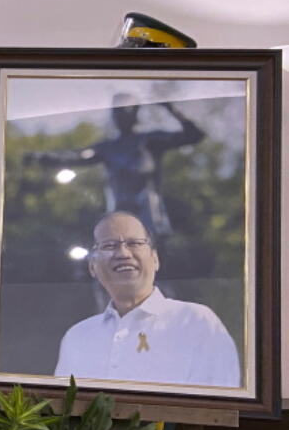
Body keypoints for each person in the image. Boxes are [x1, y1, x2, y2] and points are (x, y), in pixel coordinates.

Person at [54, 212, 240, 387]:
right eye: (109, 246)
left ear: (155, 259)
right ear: (92, 267)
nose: (123, 254)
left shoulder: (195, 322)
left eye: (134, 243)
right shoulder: (77, 337)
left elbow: (218, 408)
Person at [28, 93, 205, 239]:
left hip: (150, 218)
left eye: (125, 111)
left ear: (134, 113)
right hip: (120, 218)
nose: (120, 116)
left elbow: (193, 136)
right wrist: (43, 156)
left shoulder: (150, 141)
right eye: (116, 112)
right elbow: (78, 156)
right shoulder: (108, 148)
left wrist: (171, 109)